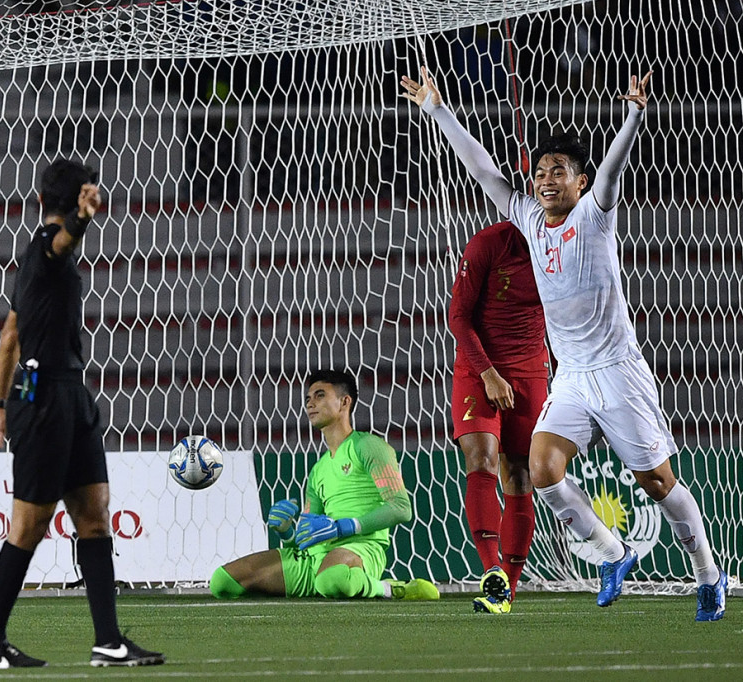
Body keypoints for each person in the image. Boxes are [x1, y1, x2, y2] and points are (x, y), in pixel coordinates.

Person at [402, 67, 727, 621]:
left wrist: (633, 117)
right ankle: (611, 553)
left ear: (580, 181)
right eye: (541, 171)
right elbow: (483, 169)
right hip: (572, 375)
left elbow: (613, 171)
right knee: (543, 468)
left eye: (560, 171)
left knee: (656, 482)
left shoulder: (596, 218)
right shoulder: (529, 218)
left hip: (618, 371)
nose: (547, 179)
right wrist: (436, 109)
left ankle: (707, 574)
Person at [0, 158, 165, 669]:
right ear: (75, 197)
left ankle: (109, 641)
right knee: (28, 527)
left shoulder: (38, 268)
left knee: (95, 517)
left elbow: (11, 333)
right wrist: (82, 221)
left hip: (70, 395)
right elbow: (64, 242)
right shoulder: (46, 249)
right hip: (43, 402)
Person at [210, 369, 439, 602]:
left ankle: (393, 589)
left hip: (360, 549)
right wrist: (287, 531)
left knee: (333, 579)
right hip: (313, 560)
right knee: (222, 582)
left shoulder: (369, 446)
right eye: (308, 398)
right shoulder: (318, 469)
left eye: (320, 396)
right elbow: (305, 537)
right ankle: (323, 583)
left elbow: (401, 508)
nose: (310, 403)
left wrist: (344, 527)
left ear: (344, 402)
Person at [449, 221, 549, 614]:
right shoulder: (490, 243)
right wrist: (488, 373)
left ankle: (506, 589)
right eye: (540, 175)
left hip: (531, 372)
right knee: (481, 459)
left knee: (521, 474)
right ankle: (491, 567)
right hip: (479, 370)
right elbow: (458, 316)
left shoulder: (570, 244)